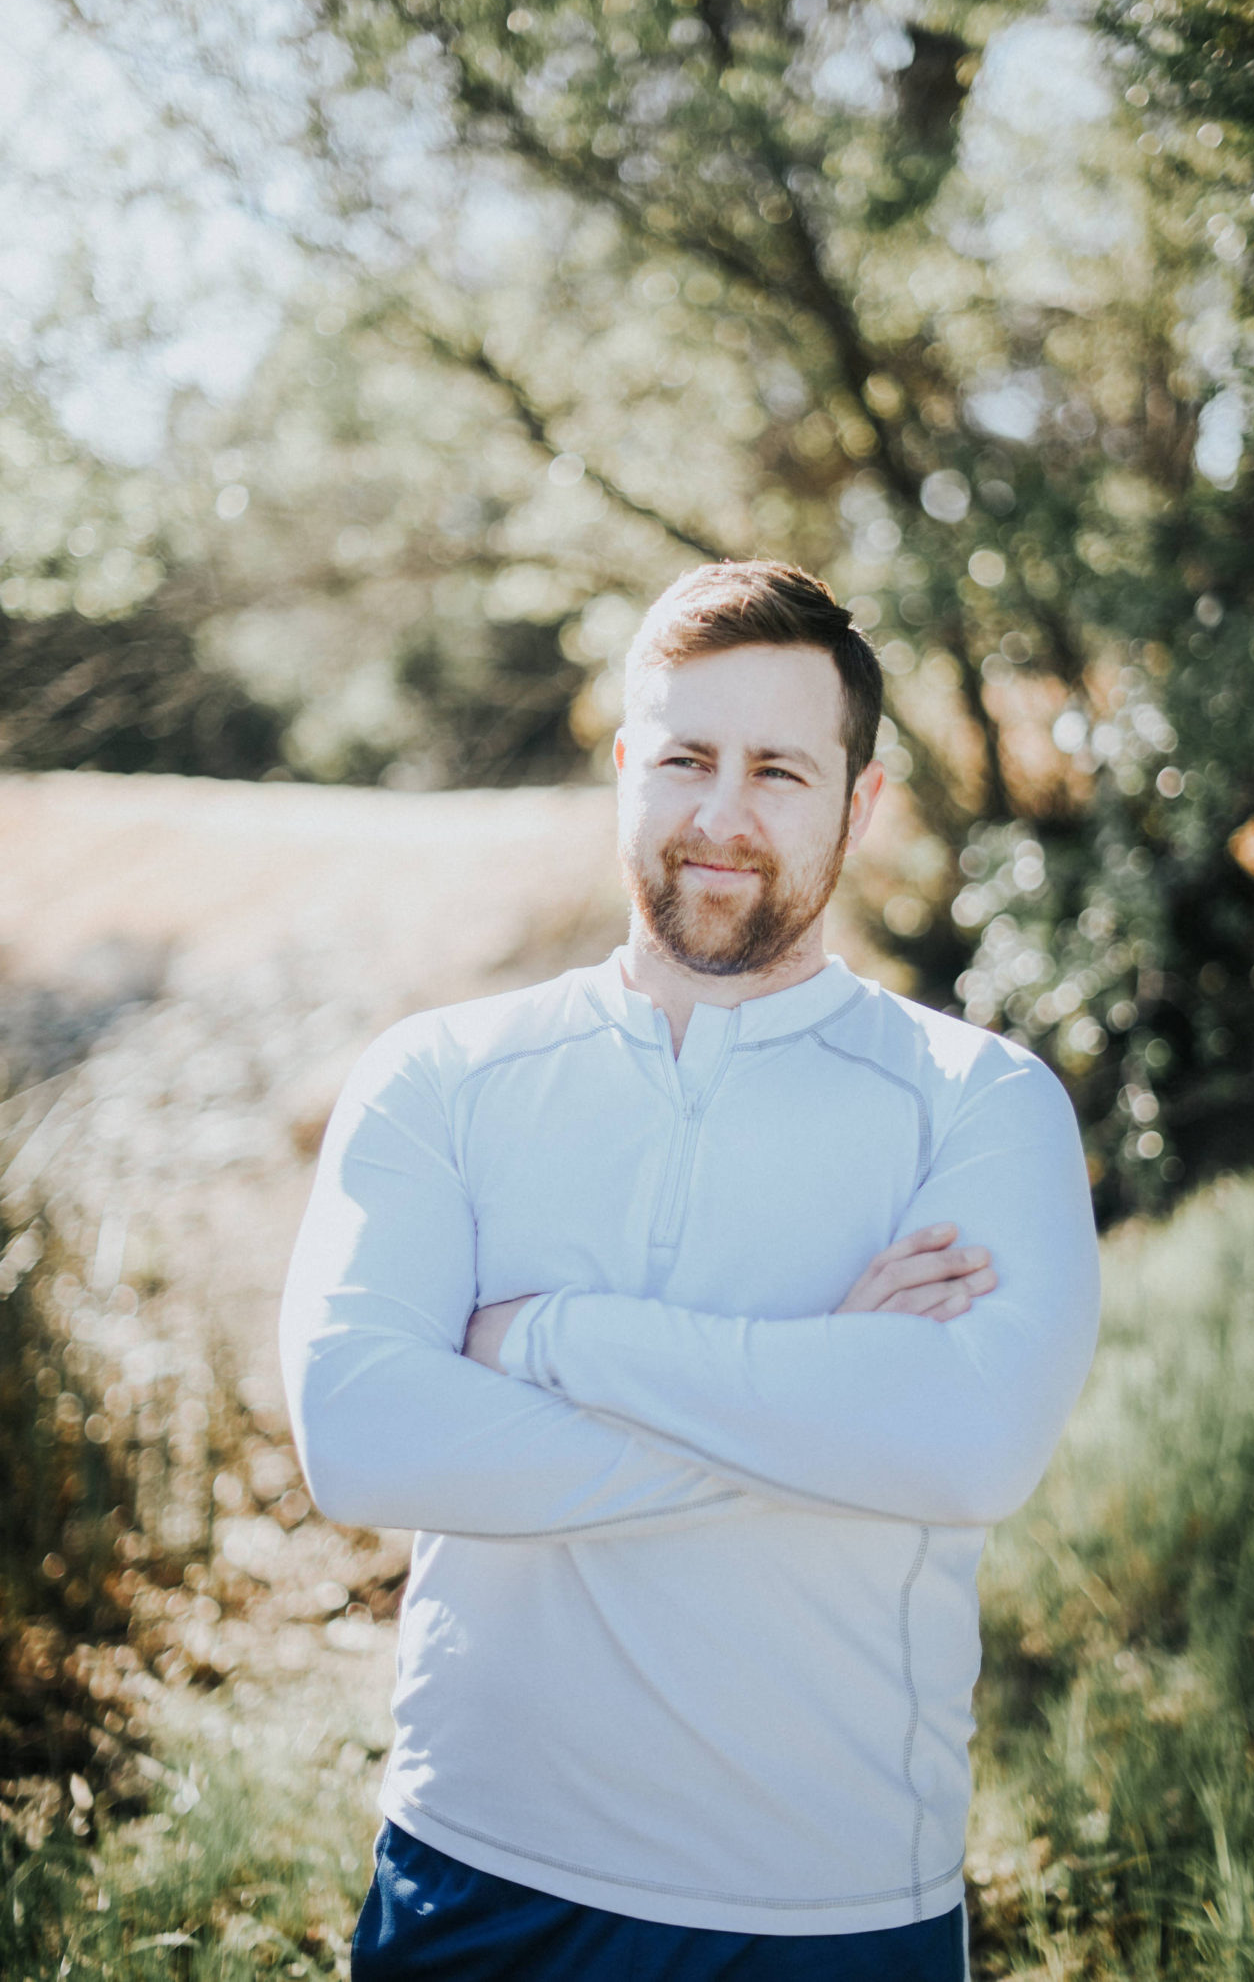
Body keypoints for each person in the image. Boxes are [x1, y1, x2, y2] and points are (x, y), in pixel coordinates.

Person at [279, 560, 1101, 1980]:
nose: (723, 814)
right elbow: (359, 1440)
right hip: (478, 1881)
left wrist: (548, 1337)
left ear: (863, 802)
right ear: (621, 771)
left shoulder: (978, 1099)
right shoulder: (442, 1076)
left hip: (832, 1908)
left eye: (781, 769)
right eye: (685, 758)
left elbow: (965, 1445)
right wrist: (828, 1402)